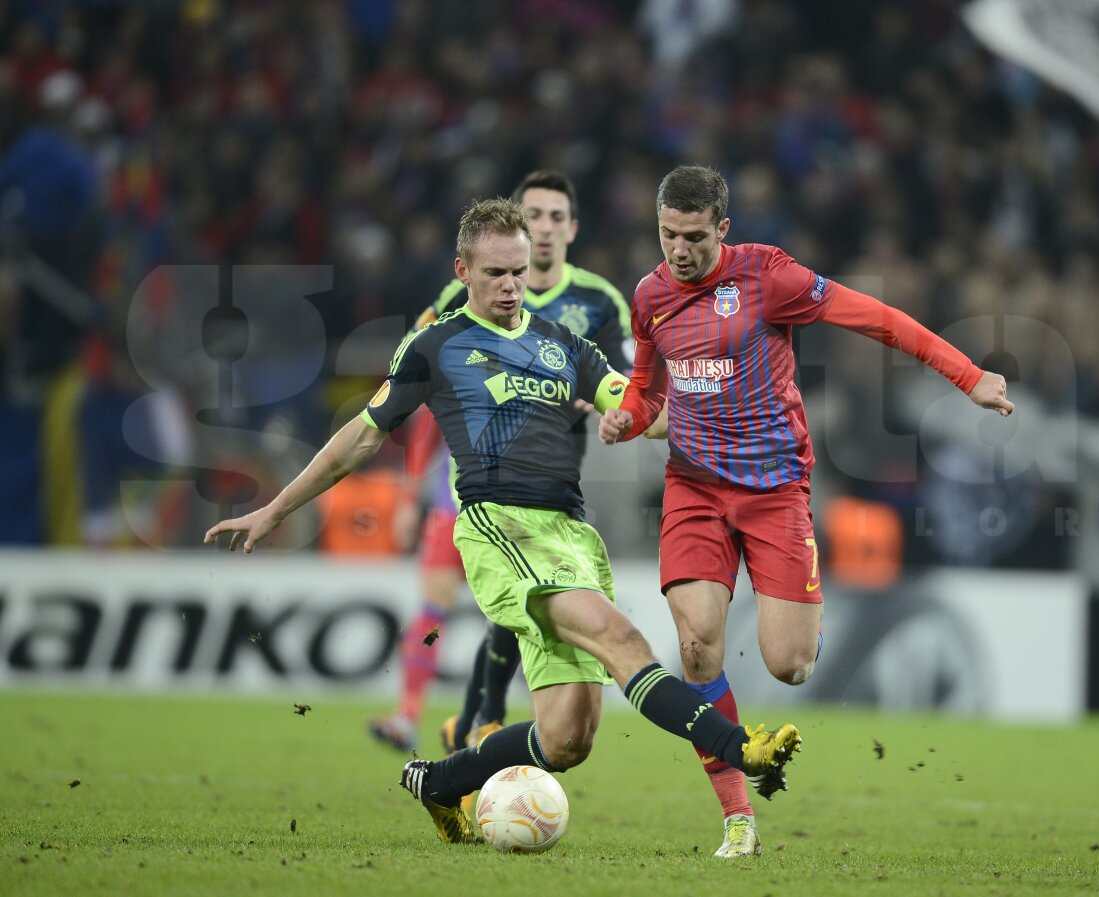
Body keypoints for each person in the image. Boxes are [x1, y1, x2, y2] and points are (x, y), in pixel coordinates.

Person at [205, 197, 801, 845]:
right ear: (463, 270)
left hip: (571, 536)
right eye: (495, 273)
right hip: (500, 529)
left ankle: (438, 780)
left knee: (567, 738)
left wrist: (723, 410)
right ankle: (745, 747)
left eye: (519, 272)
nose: (512, 285)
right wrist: (276, 506)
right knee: (622, 640)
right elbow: (361, 438)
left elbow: (645, 411)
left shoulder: (561, 343)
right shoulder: (435, 345)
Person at [599, 165, 1015, 858]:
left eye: (694, 236)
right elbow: (647, 390)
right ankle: (737, 816)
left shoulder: (770, 278)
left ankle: (803, 620)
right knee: (697, 642)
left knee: (789, 664)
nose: (678, 250)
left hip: (774, 492)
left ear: (722, 229)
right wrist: (626, 416)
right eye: (668, 234)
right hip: (694, 488)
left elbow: (877, 319)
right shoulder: (649, 296)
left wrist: (967, 376)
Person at [366, 169, 642, 755]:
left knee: (523, 610)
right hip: (466, 487)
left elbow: (626, 387)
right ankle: (413, 714)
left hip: (552, 487)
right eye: (532, 215)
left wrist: (608, 407)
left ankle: (475, 724)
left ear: (572, 228)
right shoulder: (458, 303)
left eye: (554, 217)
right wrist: (417, 488)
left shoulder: (596, 304)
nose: (542, 228)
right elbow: (410, 387)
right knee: (438, 605)